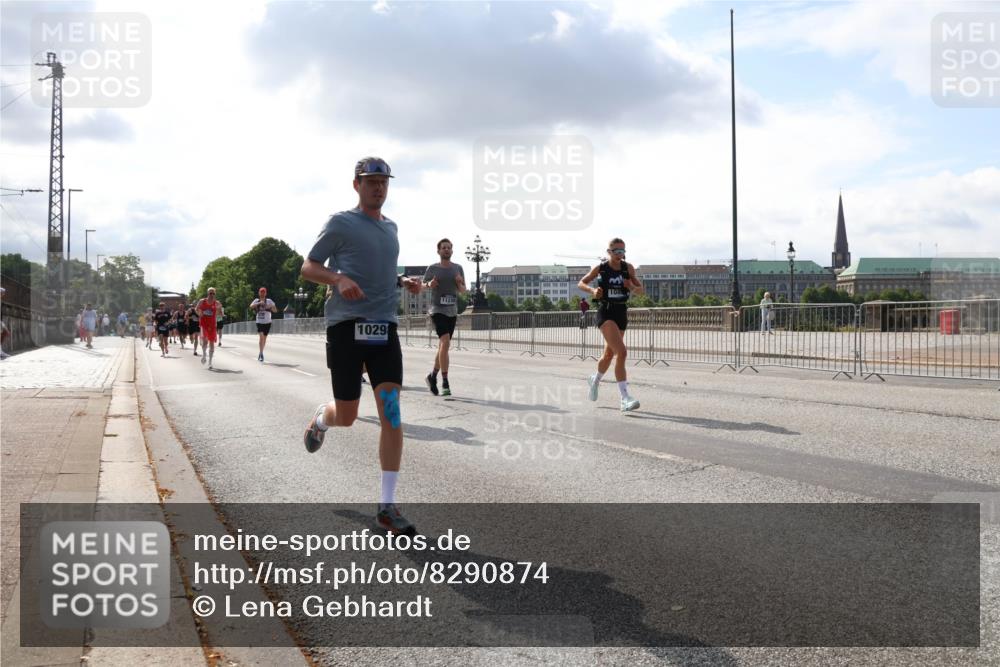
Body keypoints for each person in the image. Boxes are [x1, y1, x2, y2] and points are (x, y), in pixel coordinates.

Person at [300, 156, 423, 536]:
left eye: (384, 182)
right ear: (357, 185)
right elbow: (308, 266)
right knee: (349, 416)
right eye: (371, 182)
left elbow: (382, 269)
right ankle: (323, 418)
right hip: (346, 328)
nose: (379, 188)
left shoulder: (392, 228)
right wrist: (337, 279)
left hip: (383, 328)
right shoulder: (341, 223)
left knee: (392, 412)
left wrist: (404, 283)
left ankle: (386, 507)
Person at [578, 238, 644, 412]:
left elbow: (640, 291)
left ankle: (595, 379)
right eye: (616, 251)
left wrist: (630, 286)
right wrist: (592, 290)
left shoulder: (627, 268)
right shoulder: (601, 268)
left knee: (609, 354)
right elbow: (581, 282)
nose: (619, 255)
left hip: (621, 312)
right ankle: (625, 398)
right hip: (605, 312)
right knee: (621, 352)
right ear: (609, 252)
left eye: (622, 251)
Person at [422, 239, 466, 397]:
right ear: (438, 251)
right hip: (437, 310)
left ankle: (432, 376)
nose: (446, 250)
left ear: (452, 251)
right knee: (445, 341)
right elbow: (421, 286)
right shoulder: (432, 268)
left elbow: (463, 291)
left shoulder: (457, 268)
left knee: (443, 346)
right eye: (443, 248)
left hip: (452, 311)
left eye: (449, 248)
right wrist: (429, 285)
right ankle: (445, 381)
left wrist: (459, 283)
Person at [196, 288, 222, 369]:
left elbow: (219, 314)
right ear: (208, 293)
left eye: (213, 293)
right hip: (203, 324)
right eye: (210, 293)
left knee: (211, 343)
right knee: (204, 341)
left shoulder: (217, 303)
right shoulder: (202, 301)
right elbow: (196, 309)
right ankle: (204, 355)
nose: (212, 295)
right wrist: (199, 313)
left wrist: (219, 309)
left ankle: (210, 362)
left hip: (212, 325)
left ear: (215, 294)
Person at [250, 287, 277, 362]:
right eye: (261, 292)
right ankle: (261, 353)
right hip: (259, 321)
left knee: (264, 338)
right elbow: (251, 306)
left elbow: (275, 310)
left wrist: (270, 307)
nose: (262, 293)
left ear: (265, 293)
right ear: (259, 293)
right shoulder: (256, 300)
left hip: (267, 322)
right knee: (261, 336)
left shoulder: (269, 301)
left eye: (263, 292)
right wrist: (259, 303)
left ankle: (261, 352)